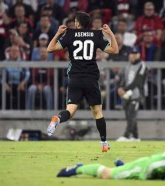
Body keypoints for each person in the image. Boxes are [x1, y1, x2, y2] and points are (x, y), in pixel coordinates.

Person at [46, 11, 119, 152]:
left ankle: (57, 119)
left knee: (70, 111)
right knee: (98, 113)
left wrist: (57, 34)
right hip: (91, 79)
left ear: (77, 23)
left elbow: (50, 49)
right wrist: (110, 34)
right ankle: (104, 143)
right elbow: (114, 50)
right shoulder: (96, 35)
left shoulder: (69, 34)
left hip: (74, 79)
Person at [57, 141, 165, 181]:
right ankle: (78, 168)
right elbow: (141, 176)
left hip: (148, 167)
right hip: (140, 168)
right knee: (107, 174)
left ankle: (123, 166)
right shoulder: (153, 166)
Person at [116, 46, 147, 142]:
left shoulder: (142, 65)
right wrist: (120, 88)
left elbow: (138, 81)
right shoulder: (128, 66)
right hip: (127, 94)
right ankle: (136, 136)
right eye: (131, 54)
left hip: (137, 94)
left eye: (135, 54)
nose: (133, 56)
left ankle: (126, 135)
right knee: (129, 115)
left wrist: (124, 89)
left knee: (132, 115)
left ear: (139, 55)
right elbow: (124, 79)